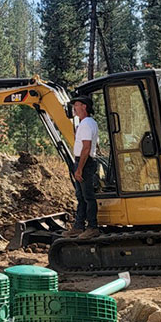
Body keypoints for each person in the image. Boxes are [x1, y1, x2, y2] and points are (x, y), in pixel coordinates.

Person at [65, 96, 100, 239]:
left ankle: (92, 226)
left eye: (77, 105)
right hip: (84, 161)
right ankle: (79, 226)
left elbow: (86, 148)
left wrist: (79, 168)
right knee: (80, 196)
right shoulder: (86, 123)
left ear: (84, 106)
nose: (74, 107)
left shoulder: (86, 124)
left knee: (87, 196)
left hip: (84, 162)